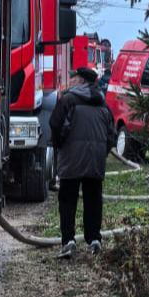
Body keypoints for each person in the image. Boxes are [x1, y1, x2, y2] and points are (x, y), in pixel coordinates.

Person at [49, 66, 115, 258]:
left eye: (74, 78)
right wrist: (102, 151)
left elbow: (55, 124)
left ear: (82, 81)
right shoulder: (103, 104)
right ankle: (94, 239)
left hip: (71, 159)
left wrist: (59, 146)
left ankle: (68, 241)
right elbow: (111, 134)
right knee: (93, 199)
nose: (71, 81)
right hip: (95, 160)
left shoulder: (68, 100)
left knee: (68, 200)